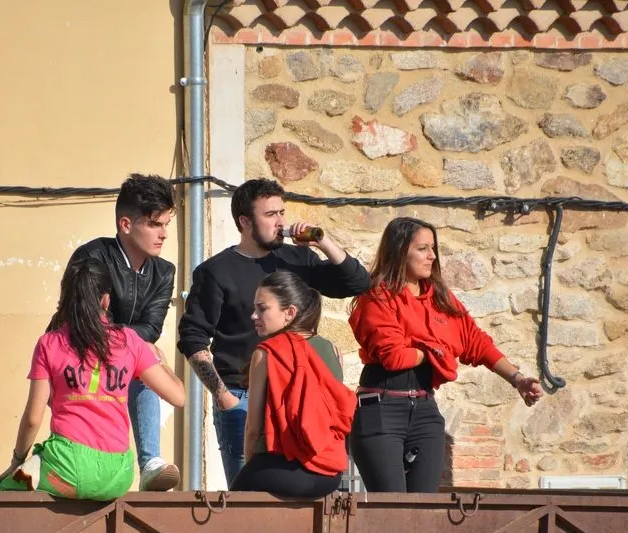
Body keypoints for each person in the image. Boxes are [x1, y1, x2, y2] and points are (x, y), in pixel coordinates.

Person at [177, 178, 370, 485]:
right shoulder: (215, 271)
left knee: (300, 492)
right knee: (248, 498)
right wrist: (224, 397)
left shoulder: (298, 260)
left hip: (298, 395)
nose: (280, 221)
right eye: (270, 214)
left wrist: (322, 241)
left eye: (282, 212)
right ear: (245, 222)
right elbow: (192, 337)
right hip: (242, 397)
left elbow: (358, 283)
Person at [348, 217, 544, 493]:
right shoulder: (377, 297)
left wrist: (517, 379)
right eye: (423, 249)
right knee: (392, 508)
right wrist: (437, 351)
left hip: (424, 409)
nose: (432, 256)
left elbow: (476, 342)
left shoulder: (440, 296)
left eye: (433, 248)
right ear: (400, 251)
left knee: (425, 507)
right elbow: (394, 357)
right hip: (382, 408)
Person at [0, 257, 185, 500]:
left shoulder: (49, 343)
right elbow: (179, 397)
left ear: (65, 297)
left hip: (65, 468)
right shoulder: (130, 341)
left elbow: (33, 418)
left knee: (2, 490)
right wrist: (160, 360)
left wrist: (16, 461)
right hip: (118, 474)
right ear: (106, 299)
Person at [62, 174, 181, 491]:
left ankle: (151, 464)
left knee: (143, 356)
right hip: (78, 354)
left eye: (166, 224)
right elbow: (82, 317)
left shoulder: (163, 271)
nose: (164, 234)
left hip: (121, 360)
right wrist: (133, 342)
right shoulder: (92, 256)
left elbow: (151, 328)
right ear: (126, 225)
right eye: (155, 224)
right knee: (142, 351)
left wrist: (133, 344)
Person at [231, 272, 356, 498]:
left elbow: (253, 429)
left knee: (231, 509)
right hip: (329, 474)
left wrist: (250, 469)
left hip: (281, 468)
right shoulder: (333, 350)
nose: (254, 315)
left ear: (289, 313)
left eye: (262, 309)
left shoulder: (266, 352)